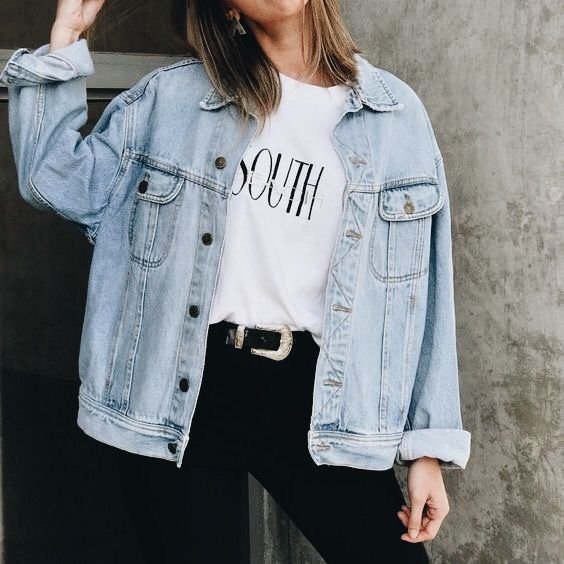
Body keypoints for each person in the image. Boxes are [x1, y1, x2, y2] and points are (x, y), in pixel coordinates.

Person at [0, 0, 472, 562]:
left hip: (322, 392)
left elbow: (427, 292)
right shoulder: (173, 98)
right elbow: (56, 181)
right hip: (181, 384)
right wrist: (66, 41)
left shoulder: (395, 115)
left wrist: (426, 450)